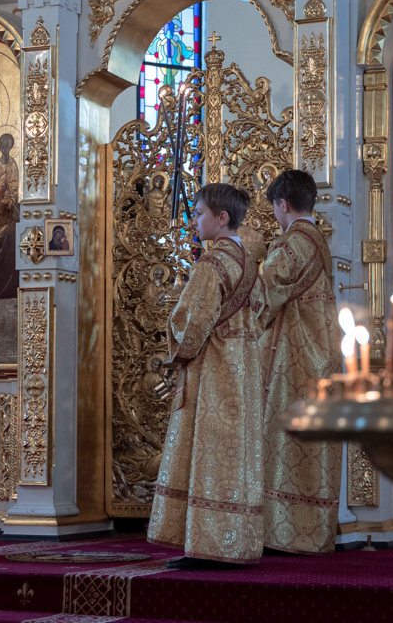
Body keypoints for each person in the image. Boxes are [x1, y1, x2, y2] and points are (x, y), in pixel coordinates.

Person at [147, 183, 270, 569]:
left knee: (210, 453)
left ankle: (210, 545)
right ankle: (236, 542)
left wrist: (176, 347)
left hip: (214, 371)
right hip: (244, 373)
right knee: (235, 456)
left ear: (222, 218)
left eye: (199, 213)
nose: (194, 220)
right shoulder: (250, 264)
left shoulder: (212, 264)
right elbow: (263, 311)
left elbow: (192, 321)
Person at [259, 169, 343, 555]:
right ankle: (316, 531)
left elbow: (265, 296)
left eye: (275, 208)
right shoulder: (320, 242)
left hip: (292, 356)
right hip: (323, 354)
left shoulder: (291, 244)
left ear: (283, 204)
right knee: (314, 446)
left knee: (284, 441)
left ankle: (284, 534)